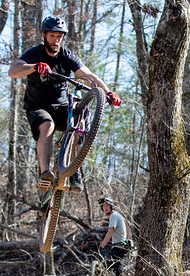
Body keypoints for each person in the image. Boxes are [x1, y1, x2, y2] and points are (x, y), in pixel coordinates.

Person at [8, 16, 122, 192]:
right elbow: (13, 71)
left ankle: (74, 171)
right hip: (38, 107)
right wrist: (34, 67)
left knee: (80, 119)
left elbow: (88, 75)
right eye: (53, 36)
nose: (56, 40)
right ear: (44, 35)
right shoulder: (35, 53)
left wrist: (108, 92)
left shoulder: (66, 55)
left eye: (60, 36)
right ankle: (45, 173)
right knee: (47, 125)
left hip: (61, 106)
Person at [97, 196, 131, 276]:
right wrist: (128, 239)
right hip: (121, 245)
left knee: (108, 265)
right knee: (116, 267)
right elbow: (127, 223)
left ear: (111, 206)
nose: (106, 208)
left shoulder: (113, 216)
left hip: (120, 245)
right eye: (103, 206)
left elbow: (110, 231)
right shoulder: (117, 215)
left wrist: (102, 245)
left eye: (107, 206)